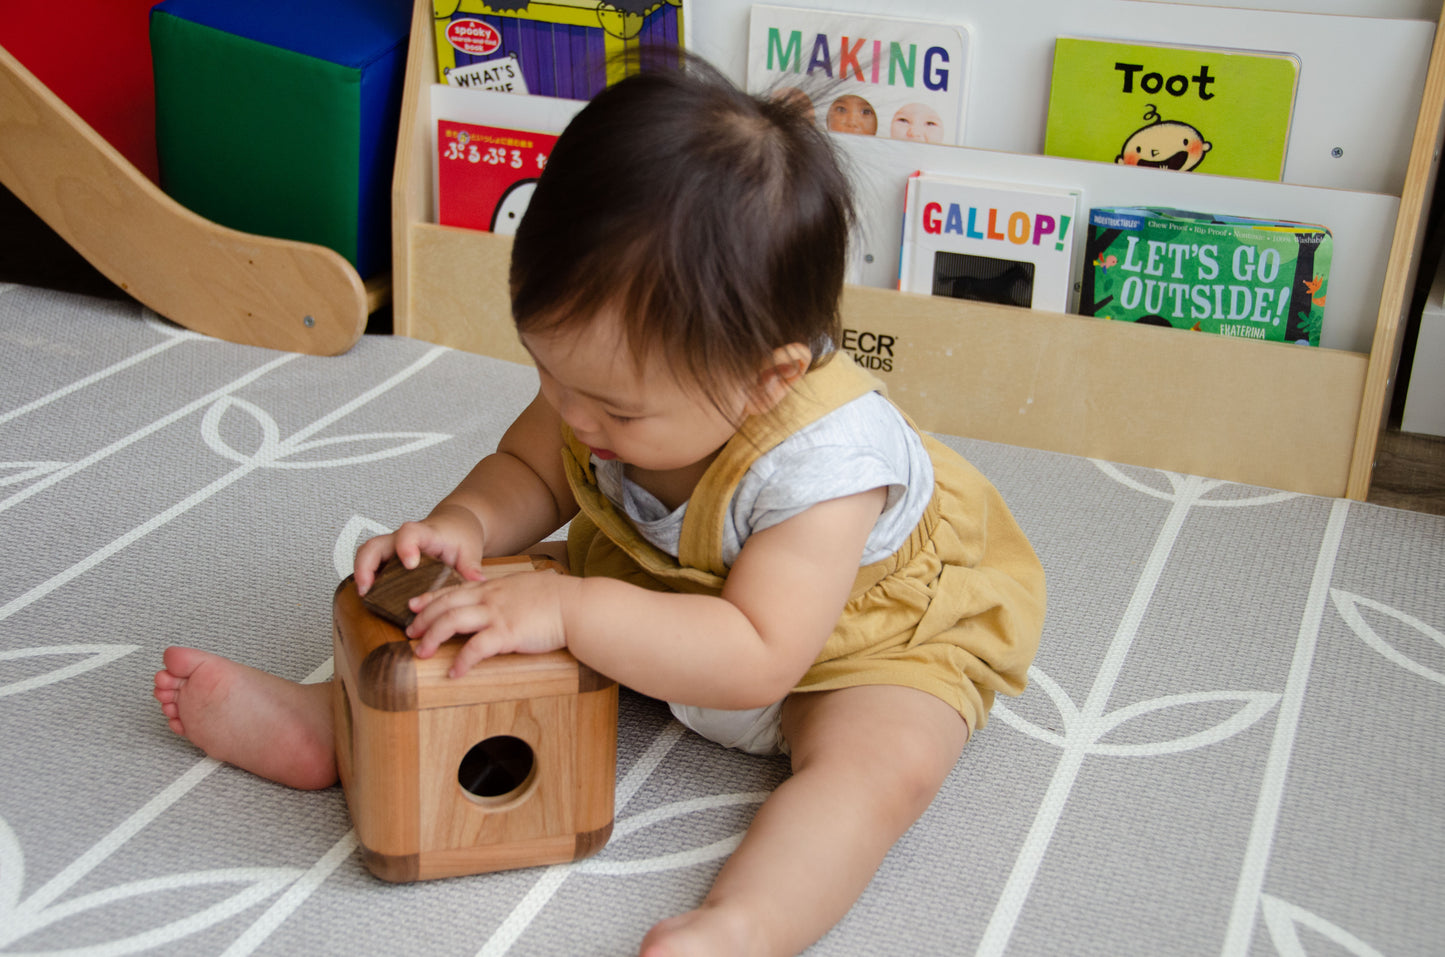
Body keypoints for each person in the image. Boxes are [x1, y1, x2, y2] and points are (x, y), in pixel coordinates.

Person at [154, 57, 1046, 957]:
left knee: (876, 768)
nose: (575, 419)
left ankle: (741, 925)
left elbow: (756, 659)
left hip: (852, 642)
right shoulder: (608, 386)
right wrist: (461, 528)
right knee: (479, 601)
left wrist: (573, 611)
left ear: (768, 379)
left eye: (616, 409)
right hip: (658, 588)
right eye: (550, 374)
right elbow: (527, 472)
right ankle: (344, 725)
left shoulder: (827, 463)